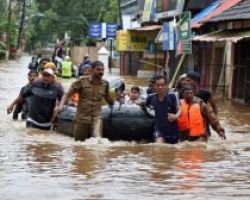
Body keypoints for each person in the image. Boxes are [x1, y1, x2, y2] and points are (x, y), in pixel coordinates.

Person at [55, 61, 114, 141]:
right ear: (92, 70)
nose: (101, 72)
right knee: (79, 144)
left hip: (97, 117)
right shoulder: (82, 81)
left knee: (97, 141)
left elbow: (108, 99)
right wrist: (61, 106)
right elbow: (67, 94)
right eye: (98, 70)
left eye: (102, 70)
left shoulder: (105, 84)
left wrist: (116, 103)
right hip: (82, 118)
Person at [145, 75, 182, 144]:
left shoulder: (172, 96)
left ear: (166, 86)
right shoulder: (150, 98)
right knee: (159, 147)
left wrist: (175, 116)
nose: (160, 87)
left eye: (162, 85)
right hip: (159, 130)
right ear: (154, 86)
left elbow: (179, 109)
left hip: (173, 131)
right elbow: (145, 106)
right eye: (158, 85)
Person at [186, 71, 218, 136]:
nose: (186, 82)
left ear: (196, 81)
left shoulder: (206, 93)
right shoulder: (185, 94)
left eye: (188, 80)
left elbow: (214, 107)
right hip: (190, 124)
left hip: (204, 124)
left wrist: (212, 119)